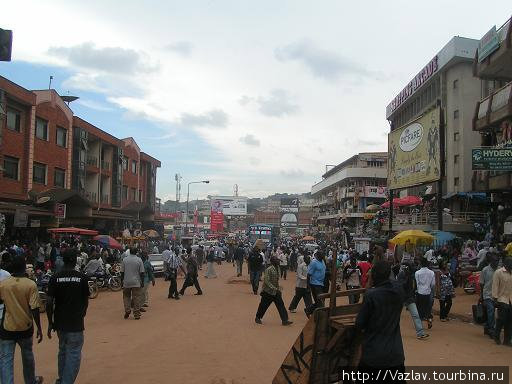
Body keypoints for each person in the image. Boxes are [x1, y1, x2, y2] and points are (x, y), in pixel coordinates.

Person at [355, 261, 406, 378]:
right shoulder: (398, 291)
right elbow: (394, 283)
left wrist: (368, 284)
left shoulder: (371, 295)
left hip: (373, 356)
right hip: (395, 355)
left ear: (374, 276)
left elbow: (359, 324)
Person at [46, 248, 89, 384]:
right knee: (74, 354)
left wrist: (50, 322)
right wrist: (82, 313)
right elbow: (85, 300)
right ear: (76, 260)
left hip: (60, 323)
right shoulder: (81, 278)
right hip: (75, 323)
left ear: (62, 260)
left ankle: (61, 379)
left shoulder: (55, 278)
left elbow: (48, 302)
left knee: (63, 351)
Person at [0, 255, 44, 384]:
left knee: (6, 359)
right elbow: (35, 308)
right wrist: (39, 329)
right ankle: (30, 381)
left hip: (7, 327)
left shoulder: (4, 285)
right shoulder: (30, 284)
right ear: (25, 267)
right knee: (27, 356)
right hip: (25, 327)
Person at [255, 256, 293, 326]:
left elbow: (276, 280)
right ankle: (258, 317)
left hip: (275, 291)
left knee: (281, 305)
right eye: (276, 260)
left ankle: (285, 320)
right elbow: (266, 281)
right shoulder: (268, 269)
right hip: (268, 291)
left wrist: (277, 288)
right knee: (263, 305)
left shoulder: (278, 268)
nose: (278, 261)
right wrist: (274, 288)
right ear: (272, 262)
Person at [397, 263, 429, 340]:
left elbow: (413, 287)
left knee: (415, 315)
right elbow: (401, 285)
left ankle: (420, 333)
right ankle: (392, 333)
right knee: (396, 317)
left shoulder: (411, 275)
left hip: (408, 298)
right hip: (401, 298)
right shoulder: (402, 275)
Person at [492, 257, 512, 346]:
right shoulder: (498, 272)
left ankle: (507, 340)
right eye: (510, 263)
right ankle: (496, 336)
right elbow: (495, 286)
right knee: (501, 320)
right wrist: (495, 299)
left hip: (510, 300)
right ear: (506, 263)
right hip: (501, 299)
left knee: (509, 321)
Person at [121, 248, 145, 320]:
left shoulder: (124, 260)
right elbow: (142, 273)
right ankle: (136, 314)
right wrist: (142, 282)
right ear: (136, 252)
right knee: (136, 298)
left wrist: (122, 281)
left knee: (126, 297)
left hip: (126, 282)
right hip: (136, 282)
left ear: (130, 252)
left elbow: (122, 272)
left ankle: (127, 310)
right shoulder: (139, 260)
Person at [480, 254, 498, 338]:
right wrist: (481, 297)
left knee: (493, 312)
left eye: (497, 261)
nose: (497, 263)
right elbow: (482, 284)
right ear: (491, 261)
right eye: (495, 261)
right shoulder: (485, 270)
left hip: (498, 295)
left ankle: (487, 326)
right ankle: (491, 329)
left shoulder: (499, 270)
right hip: (487, 295)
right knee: (491, 310)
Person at [415, 257, 435, 329]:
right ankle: (429, 320)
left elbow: (417, 284)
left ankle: (419, 325)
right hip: (428, 292)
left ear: (420, 264)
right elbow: (433, 284)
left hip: (420, 292)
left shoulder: (417, 273)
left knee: (419, 308)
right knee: (428, 308)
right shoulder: (431, 272)